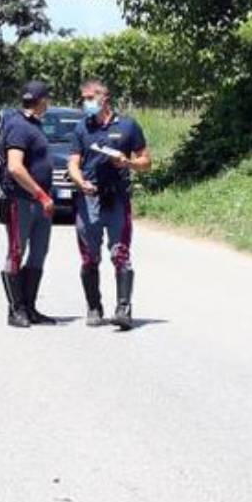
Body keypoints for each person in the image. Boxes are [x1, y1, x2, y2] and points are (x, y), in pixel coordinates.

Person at [67, 79, 153, 330]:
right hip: (88, 198)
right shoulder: (82, 128)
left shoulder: (127, 126)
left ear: (104, 98)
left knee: (120, 253)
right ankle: (94, 307)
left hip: (117, 198)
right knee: (89, 257)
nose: (86, 103)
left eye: (89, 98)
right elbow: (73, 162)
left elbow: (146, 161)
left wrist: (128, 163)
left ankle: (123, 308)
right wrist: (80, 181)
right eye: (83, 98)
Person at [0, 81, 57, 329]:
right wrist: (40, 194)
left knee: (38, 253)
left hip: (39, 203)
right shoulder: (18, 126)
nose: (49, 103)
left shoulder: (34, 125)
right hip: (21, 202)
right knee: (16, 252)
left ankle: (30, 307)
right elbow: (15, 166)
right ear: (41, 100)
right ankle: (16, 309)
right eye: (48, 99)